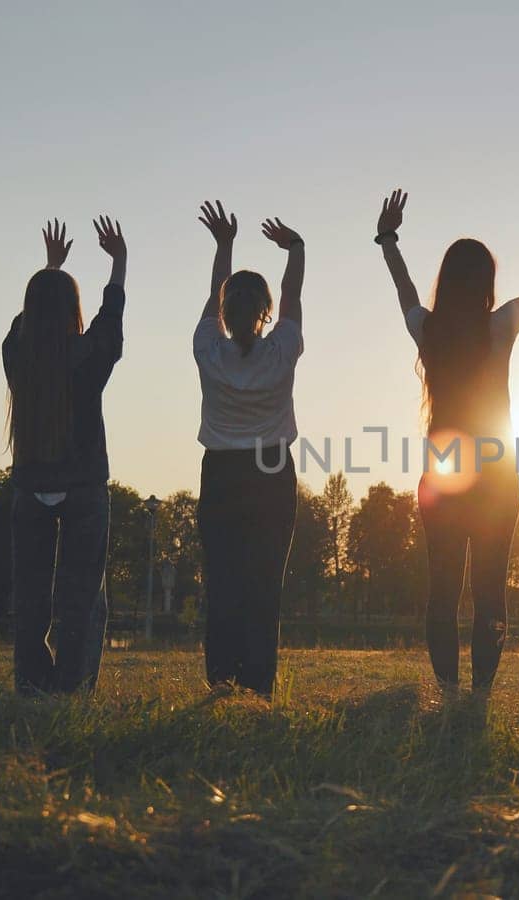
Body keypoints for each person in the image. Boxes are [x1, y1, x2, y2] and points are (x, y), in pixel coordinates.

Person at [374, 182, 519, 699]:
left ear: (445, 282)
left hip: (443, 473)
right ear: (487, 282)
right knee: (490, 591)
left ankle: (448, 693)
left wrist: (388, 240)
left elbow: (403, 289)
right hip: (495, 472)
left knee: (442, 590)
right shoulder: (500, 327)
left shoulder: (428, 328)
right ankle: (481, 695)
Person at [3, 217, 127, 695]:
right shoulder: (89, 357)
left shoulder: (17, 354)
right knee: (81, 597)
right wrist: (118, 263)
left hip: (30, 486)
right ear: (72, 307)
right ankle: (72, 686)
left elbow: (22, 327)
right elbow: (109, 321)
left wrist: (50, 268)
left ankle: (32, 684)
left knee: (30, 595)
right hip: (84, 487)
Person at [193, 200, 305, 699]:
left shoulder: (208, 349)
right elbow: (293, 295)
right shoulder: (282, 351)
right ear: (265, 313)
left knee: (223, 583)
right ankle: (258, 687)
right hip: (271, 470)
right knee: (264, 586)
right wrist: (295, 248)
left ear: (224, 311)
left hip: (221, 473)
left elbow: (211, 302)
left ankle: (222, 681)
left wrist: (224, 245)